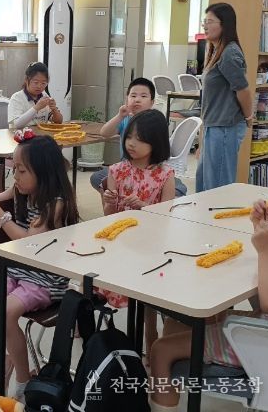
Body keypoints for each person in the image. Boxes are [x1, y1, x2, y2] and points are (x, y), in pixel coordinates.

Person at [0, 134, 79, 402]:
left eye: (21, 171)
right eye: (14, 169)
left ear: (43, 172)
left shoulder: (56, 203)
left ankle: (22, 380)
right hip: (16, 269)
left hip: (45, 278)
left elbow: (27, 241)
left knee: (5, 314)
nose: (15, 177)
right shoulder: (22, 188)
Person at [148, 199, 268, 412]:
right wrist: (262, 229)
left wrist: (265, 251)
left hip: (262, 344)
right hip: (263, 330)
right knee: (173, 325)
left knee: (161, 350)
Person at [102, 109, 175, 358]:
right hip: (120, 244)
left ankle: (151, 339)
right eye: (130, 136)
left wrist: (145, 207)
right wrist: (109, 203)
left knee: (148, 298)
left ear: (156, 142)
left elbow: (167, 219)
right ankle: (86, 329)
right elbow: (109, 218)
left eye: (140, 139)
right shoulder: (116, 170)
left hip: (151, 247)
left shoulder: (165, 175)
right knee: (89, 281)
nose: (131, 143)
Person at [90, 77, 187, 198]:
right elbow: (104, 133)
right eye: (133, 96)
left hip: (151, 169)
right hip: (128, 169)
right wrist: (120, 115)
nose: (137, 99)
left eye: (143, 96)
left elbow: (161, 147)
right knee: (98, 178)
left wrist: (157, 165)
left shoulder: (155, 122)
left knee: (179, 188)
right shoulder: (125, 119)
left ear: (152, 102)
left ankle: (151, 199)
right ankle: (118, 200)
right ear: (127, 99)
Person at [196, 2, 254, 192]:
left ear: (224, 24)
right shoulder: (215, 50)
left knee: (218, 187)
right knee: (204, 183)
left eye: (210, 21)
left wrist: (248, 117)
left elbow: (243, 90)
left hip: (225, 127)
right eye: (204, 21)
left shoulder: (229, 53)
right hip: (213, 125)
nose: (205, 26)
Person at [7, 62, 63, 129]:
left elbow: (59, 122)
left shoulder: (44, 96)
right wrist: (37, 107)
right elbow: (17, 125)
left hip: (41, 134)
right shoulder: (17, 98)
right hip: (21, 135)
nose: (39, 86)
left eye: (43, 83)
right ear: (26, 80)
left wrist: (54, 109)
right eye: (36, 82)